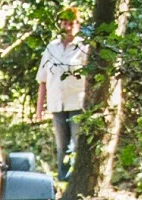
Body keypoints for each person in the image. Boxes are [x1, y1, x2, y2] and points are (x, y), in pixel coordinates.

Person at [35, 6, 88, 181]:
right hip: (57, 104)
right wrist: (39, 108)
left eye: (71, 23)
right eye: (65, 23)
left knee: (78, 145)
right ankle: (63, 180)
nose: (68, 27)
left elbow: (93, 78)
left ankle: (77, 180)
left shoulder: (84, 47)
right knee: (62, 146)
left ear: (78, 24)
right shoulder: (52, 48)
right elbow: (43, 80)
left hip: (78, 104)